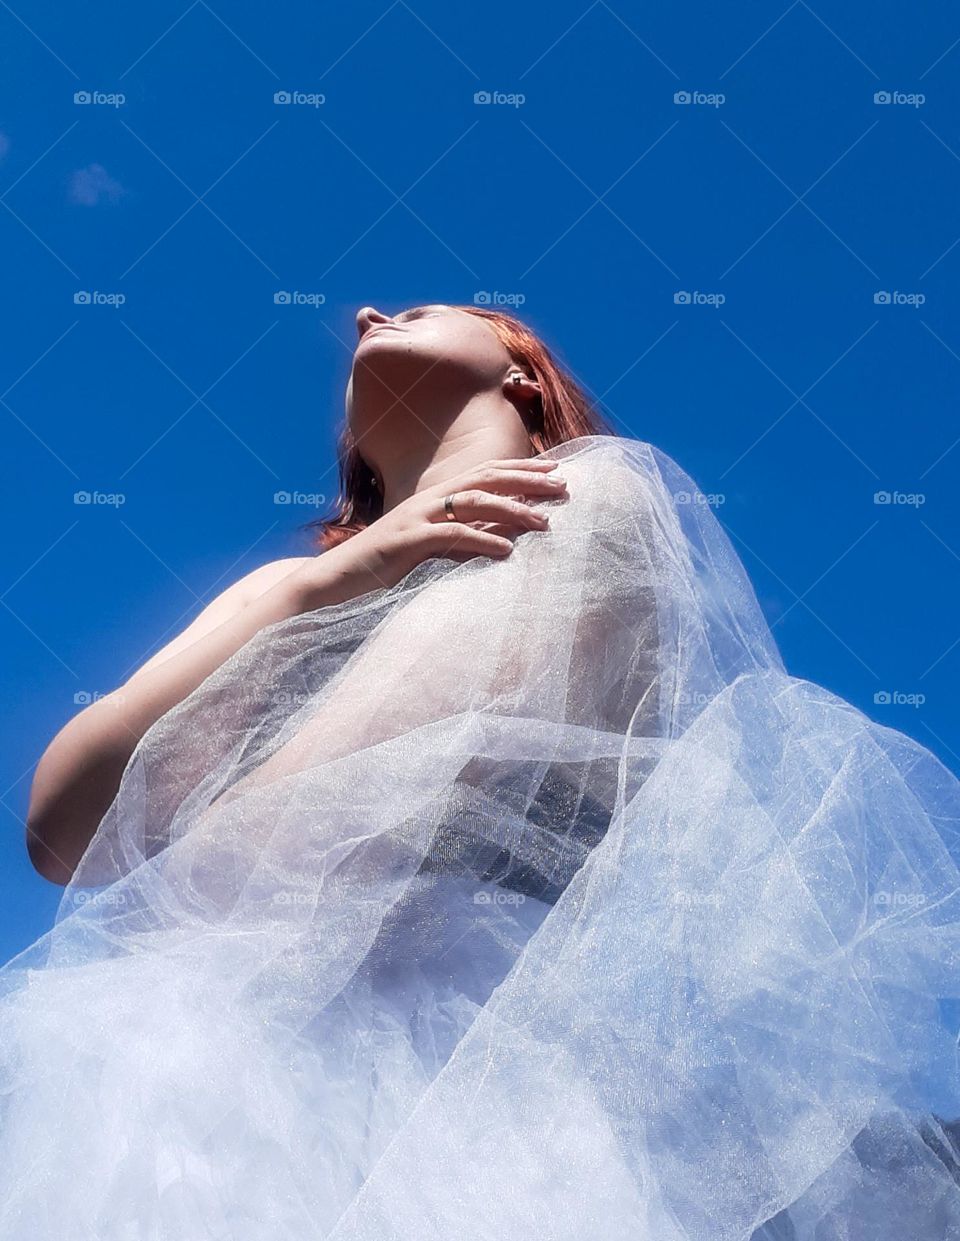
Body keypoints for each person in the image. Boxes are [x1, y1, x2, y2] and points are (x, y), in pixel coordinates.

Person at [7, 305, 960, 1238]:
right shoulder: (283, 586)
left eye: (432, 305)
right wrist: (320, 585)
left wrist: (181, 912)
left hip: (422, 1079)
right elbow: (61, 829)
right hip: (198, 1032)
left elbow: (307, 835)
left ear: (522, 372)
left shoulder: (585, 499)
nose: (369, 311)